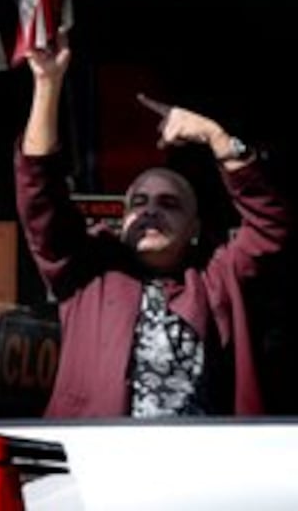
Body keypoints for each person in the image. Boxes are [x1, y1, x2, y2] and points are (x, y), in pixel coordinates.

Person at [17, 36, 290, 417]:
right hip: (99, 462)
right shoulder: (88, 271)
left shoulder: (218, 274)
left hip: (208, 466)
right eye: (138, 202)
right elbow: (39, 192)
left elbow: (272, 227)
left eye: (169, 203)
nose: (150, 212)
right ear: (122, 217)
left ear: (194, 227)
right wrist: (47, 85)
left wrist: (218, 138)